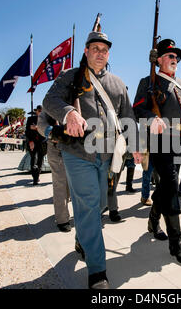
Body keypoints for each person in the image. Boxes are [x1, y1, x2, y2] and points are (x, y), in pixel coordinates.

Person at [43, 31, 142, 289]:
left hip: (109, 154)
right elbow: (49, 101)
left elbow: (127, 117)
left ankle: (82, 237)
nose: (100, 52)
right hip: (77, 152)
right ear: (86, 52)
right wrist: (68, 114)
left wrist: (136, 146)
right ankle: (97, 271)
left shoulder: (118, 83)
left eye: (104, 49)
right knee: (87, 203)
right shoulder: (70, 77)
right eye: (95, 48)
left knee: (99, 204)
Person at [133, 39, 181, 264]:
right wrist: (152, 118)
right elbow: (138, 109)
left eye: (176, 56)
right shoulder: (149, 82)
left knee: (168, 187)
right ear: (158, 60)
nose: (174, 59)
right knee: (172, 188)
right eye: (169, 56)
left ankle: (153, 219)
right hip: (160, 143)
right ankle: (177, 243)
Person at [37, 110, 72, 232]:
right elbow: (41, 125)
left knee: (70, 185)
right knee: (60, 183)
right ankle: (62, 219)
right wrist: (52, 133)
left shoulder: (76, 101)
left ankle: (62, 210)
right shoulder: (48, 105)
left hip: (75, 148)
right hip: (56, 148)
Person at [25, 105, 46, 186]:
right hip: (32, 142)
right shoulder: (30, 119)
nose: (40, 112)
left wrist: (38, 128)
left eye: (42, 111)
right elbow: (27, 131)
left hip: (42, 142)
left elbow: (47, 130)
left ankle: (37, 175)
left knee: (40, 160)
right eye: (39, 111)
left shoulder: (45, 119)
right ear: (36, 111)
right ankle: (35, 178)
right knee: (33, 159)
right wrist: (30, 141)